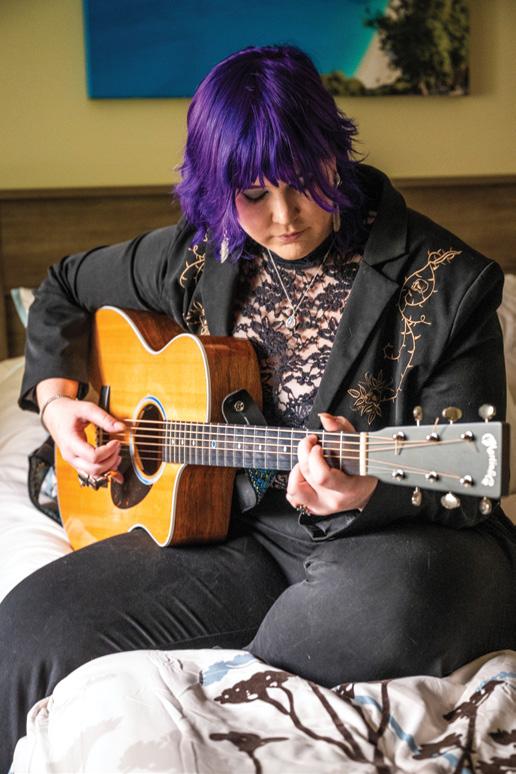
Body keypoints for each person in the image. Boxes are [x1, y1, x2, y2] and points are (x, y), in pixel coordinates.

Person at [1, 44, 515, 769]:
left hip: (387, 544)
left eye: (305, 181)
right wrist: (57, 404)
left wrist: (364, 491)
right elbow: (62, 287)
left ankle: (230, 695)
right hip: (228, 534)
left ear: (334, 149)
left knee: (400, 602)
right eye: (252, 195)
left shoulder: (450, 283)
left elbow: (472, 485)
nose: (284, 216)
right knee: (27, 628)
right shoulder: (199, 253)